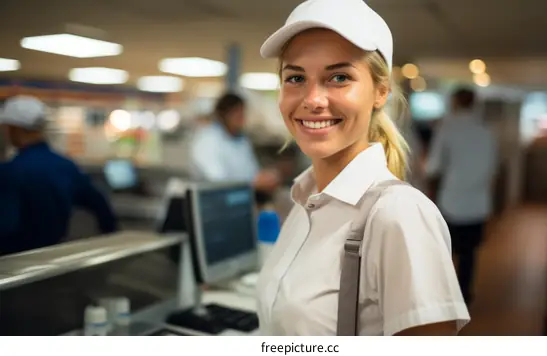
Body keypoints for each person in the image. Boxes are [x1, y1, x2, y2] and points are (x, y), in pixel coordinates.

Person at [255, 0, 470, 336]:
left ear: (380, 92)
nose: (312, 99)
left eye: (339, 77)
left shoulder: (399, 215)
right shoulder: (306, 200)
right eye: (295, 77)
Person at [0, 95, 118, 256]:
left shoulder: (11, 171)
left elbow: (6, 225)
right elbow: (99, 203)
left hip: (16, 262)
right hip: (54, 258)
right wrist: (112, 238)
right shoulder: (65, 166)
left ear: (14, 129)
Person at [425, 87, 498, 305]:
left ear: (455, 103)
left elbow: (433, 167)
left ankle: (443, 298)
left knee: (445, 251)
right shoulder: (486, 131)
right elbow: (493, 169)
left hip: (451, 201)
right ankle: (464, 296)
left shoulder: (447, 128)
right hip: (478, 203)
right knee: (469, 255)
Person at [189, 92, 280, 197]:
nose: (241, 117)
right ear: (223, 115)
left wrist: (265, 178)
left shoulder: (241, 139)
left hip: (241, 197)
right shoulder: (207, 140)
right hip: (214, 200)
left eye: (242, 112)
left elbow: (251, 171)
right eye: (236, 113)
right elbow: (217, 180)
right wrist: (253, 183)